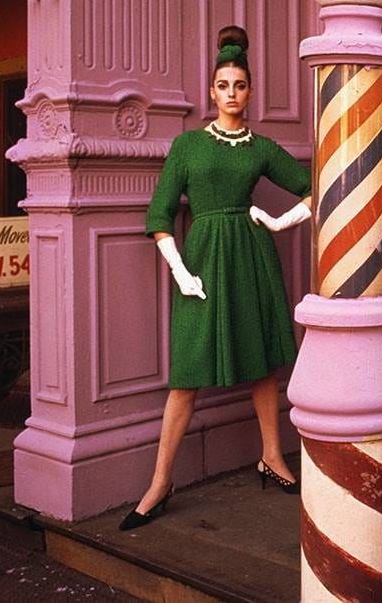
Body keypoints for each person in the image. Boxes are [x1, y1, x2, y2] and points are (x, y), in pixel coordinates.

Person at [119, 26, 312, 531]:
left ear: (250, 91)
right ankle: (160, 483)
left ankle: (272, 455)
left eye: (239, 85)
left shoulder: (262, 148)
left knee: (263, 366)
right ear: (212, 91)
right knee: (186, 376)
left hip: (251, 259)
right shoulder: (187, 147)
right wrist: (182, 272)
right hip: (201, 264)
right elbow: (159, 215)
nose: (231, 93)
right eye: (223, 85)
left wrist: (279, 220)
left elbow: (320, 186)